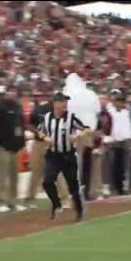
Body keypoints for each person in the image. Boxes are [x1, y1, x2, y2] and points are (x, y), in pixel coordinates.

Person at [39, 91, 89, 221]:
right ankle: (56, 204)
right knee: (47, 182)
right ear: (55, 103)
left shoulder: (71, 117)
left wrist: (77, 135)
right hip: (53, 155)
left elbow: (87, 129)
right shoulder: (47, 117)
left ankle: (79, 211)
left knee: (73, 186)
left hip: (68, 156)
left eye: (66, 102)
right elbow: (40, 131)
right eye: (62, 101)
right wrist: (45, 138)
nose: (65, 104)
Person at [24, 88, 70, 209]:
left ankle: (65, 199)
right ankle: (30, 199)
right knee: (36, 172)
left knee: (58, 173)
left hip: (53, 144)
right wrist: (39, 133)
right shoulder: (39, 109)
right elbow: (29, 124)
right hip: (39, 144)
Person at [63, 73, 101, 200]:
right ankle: (86, 190)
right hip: (88, 131)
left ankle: (74, 190)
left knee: (74, 163)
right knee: (87, 162)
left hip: (73, 132)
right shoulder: (90, 94)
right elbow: (98, 111)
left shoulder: (67, 94)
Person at [0, 85, 27, 213]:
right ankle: (0, 201)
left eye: (14, 91)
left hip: (15, 147)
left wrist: (22, 143)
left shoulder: (18, 107)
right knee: (2, 174)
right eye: (10, 91)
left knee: (14, 176)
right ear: (6, 93)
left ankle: (12, 201)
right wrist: (0, 140)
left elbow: (21, 126)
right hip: (3, 146)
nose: (12, 94)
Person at [107, 89, 131, 195]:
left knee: (123, 166)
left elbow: (128, 127)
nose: (120, 103)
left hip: (124, 142)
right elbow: (109, 127)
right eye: (118, 100)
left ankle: (122, 187)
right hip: (114, 142)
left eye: (122, 101)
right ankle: (114, 187)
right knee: (114, 166)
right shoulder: (110, 112)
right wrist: (111, 139)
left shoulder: (126, 113)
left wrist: (129, 139)